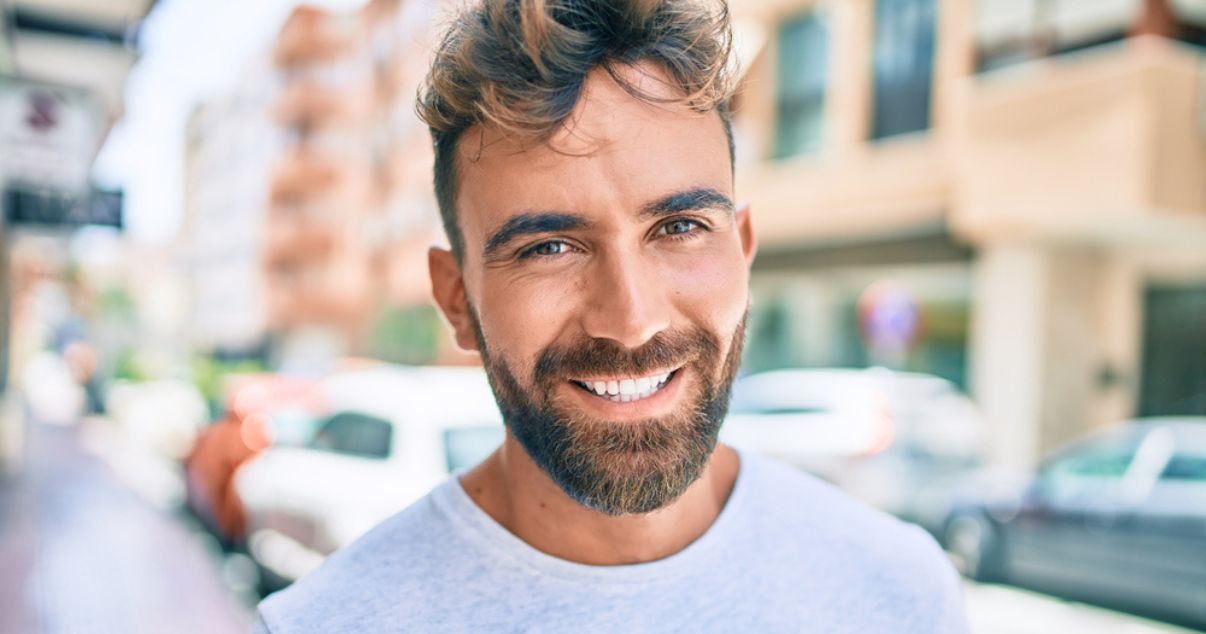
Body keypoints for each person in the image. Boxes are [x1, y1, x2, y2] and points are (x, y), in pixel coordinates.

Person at [252, 0, 969, 632]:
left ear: (743, 253)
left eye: (680, 227)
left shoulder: (900, 593)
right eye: (550, 247)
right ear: (456, 300)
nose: (631, 321)